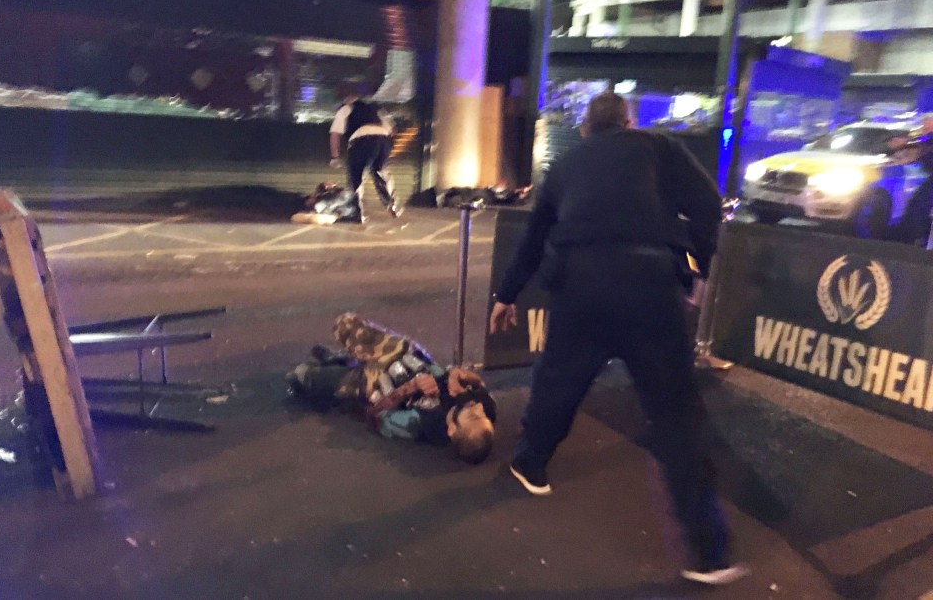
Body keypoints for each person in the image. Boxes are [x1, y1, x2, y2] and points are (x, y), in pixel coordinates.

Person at [488, 92, 745, 585]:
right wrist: (695, 268)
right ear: (628, 122)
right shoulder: (657, 146)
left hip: (582, 281)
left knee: (558, 380)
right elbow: (707, 205)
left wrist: (507, 294)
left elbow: (535, 235)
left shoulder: (565, 164)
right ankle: (709, 553)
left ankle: (531, 464)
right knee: (674, 413)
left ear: (586, 127)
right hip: (650, 281)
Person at [289, 313, 497, 464]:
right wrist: (457, 375)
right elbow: (479, 383)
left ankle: (340, 364)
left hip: (375, 381)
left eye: (472, 416)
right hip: (405, 355)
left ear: (452, 429)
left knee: (301, 374)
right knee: (344, 323)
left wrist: (411, 387)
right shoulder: (485, 407)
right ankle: (345, 359)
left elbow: (376, 416)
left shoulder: (421, 423)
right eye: (482, 414)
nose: (476, 407)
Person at [329, 85, 400, 222]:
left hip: (362, 140)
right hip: (383, 139)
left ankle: (356, 212)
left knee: (356, 175)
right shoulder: (376, 108)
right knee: (380, 172)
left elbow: (335, 134)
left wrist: (335, 156)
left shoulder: (345, 108)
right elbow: (393, 130)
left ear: (347, 99)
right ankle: (392, 204)